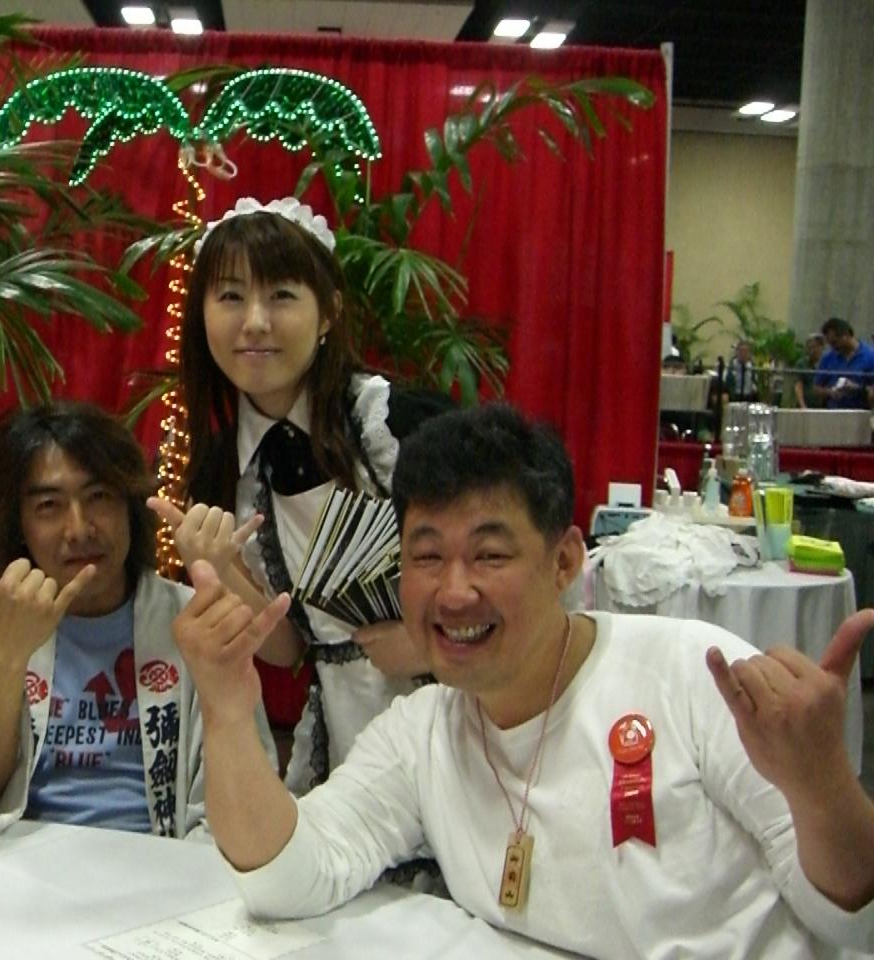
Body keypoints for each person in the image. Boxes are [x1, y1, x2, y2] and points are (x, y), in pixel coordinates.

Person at [174, 403, 874, 958]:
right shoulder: (423, 734)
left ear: (564, 562)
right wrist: (229, 704)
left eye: (490, 555)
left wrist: (823, 785)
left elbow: (852, 920)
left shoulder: (692, 673)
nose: (454, 592)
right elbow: (288, 877)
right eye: (426, 557)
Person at [150, 196, 451, 793]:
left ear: (329, 312)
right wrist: (217, 568)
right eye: (230, 296)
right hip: (345, 745)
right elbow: (288, 646)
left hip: (455, 719)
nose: (254, 322)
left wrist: (431, 648)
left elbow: (511, 572)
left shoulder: (398, 423)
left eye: (282, 295)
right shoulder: (222, 468)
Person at [0, 402, 273, 838]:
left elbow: (246, 806)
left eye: (99, 497)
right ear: (19, 525)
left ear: (131, 507)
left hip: (161, 858)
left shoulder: (192, 620)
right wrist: (4, 657)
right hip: (21, 858)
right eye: (48, 506)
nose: (78, 529)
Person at [815, 317, 874, 409]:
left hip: (860, 412)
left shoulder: (870, 356)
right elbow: (816, 388)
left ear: (846, 335)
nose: (833, 347)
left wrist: (857, 388)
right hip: (833, 412)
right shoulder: (828, 358)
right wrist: (830, 392)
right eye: (830, 344)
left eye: (835, 342)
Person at [794, 332, 827, 408]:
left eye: (814, 347)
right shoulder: (801, 364)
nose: (812, 351)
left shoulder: (827, 363)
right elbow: (798, 386)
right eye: (809, 347)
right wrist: (803, 406)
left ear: (821, 347)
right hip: (805, 406)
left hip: (823, 407)